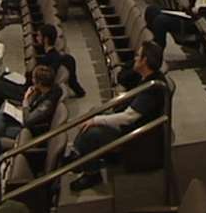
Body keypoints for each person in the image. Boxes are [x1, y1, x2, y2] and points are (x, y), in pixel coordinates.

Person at [67, 41, 166, 191]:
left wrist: (97, 120)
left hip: (137, 134)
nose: (134, 58)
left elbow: (129, 117)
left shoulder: (153, 87)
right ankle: (79, 154)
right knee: (94, 112)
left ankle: (91, 173)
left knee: (91, 133)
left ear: (144, 60)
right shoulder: (146, 78)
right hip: (132, 126)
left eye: (138, 56)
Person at [0, 65, 62, 172]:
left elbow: (28, 121)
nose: (31, 81)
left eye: (33, 79)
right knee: (2, 115)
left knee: (0, 123)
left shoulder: (48, 102)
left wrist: (26, 101)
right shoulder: (45, 91)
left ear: (40, 83)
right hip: (31, 126)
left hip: (33, 133)